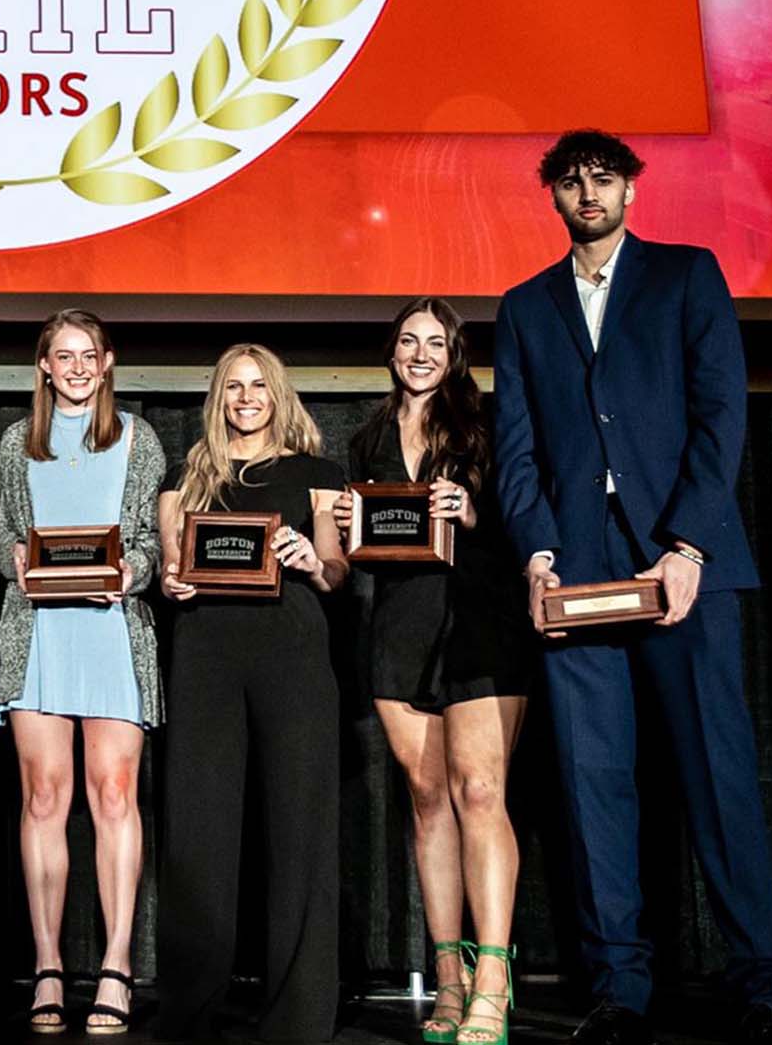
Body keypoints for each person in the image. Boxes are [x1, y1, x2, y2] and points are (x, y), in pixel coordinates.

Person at [493, 130, 772, 1045]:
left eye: (604, 178)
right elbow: (518, 448)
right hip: (579, 572)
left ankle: (765, 988)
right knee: (594, 789)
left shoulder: (686, 274)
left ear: (630, 187)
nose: (589, 192)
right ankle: (619, 988)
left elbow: (721, 414)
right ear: (552, 196)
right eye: (572, 181)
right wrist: (538, 552)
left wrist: (690, 544)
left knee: (720, 779)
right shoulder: (523, 306)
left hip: (681, 567)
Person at [333, 299, 534, 1045]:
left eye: (436, 341)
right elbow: (358, 543)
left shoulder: (488, 423)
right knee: (427, 799)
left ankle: (492, 978)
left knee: (480, 790)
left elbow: (527, 512)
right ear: (391, 352)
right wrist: (352, 535)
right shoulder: (368, 437)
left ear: (456, 353)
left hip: (481, 619)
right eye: (408, 341)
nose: (420, 353)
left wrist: (474, 511)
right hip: (400, 626)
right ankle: (447, 979)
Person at [154, 344, 350, 1042]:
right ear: (218, 397)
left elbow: (336, 570)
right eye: (233, 387)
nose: (245, 397)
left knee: (299, 827)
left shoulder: (320, 472)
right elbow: (172, 567)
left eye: (257, 385)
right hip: (205, 651)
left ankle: (299, 1014)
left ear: (278, 394)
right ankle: (190, 1005)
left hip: (292, 647)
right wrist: (172, 582)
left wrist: (311, 557)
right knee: (198, 829)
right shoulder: (186, 476)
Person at [0, 310, 164, 1035]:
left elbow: (152, 537)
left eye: (87, 354)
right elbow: (4, 533)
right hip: (39, 635)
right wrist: (17, 563)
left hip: (112, 633)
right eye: (62, 356)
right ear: (44, 366)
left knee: (115, 793)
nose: (76, 366)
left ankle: (118, 965)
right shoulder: (13, 441)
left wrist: (133, 571)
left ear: (108, 360)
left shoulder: (139, 437)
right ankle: (51, 964)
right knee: (43, 797)